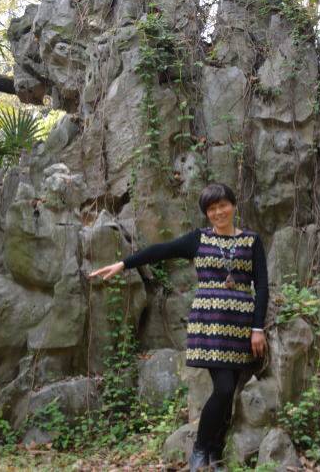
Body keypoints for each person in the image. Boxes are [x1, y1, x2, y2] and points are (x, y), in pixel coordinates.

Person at [87, 182, 269, 471]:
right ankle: (199, 449)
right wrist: (124, 264)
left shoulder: (251, 241)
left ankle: (214, 455)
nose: (218, 212)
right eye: (212, 208)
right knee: (223, 389)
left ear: (233, 205)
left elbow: (262, 286)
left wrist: (257, 328)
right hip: (209, 324)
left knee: (230, 391)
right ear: (206, 213)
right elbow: (162, 250)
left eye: (223, 205)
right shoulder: (199, 239)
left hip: (240, 325)